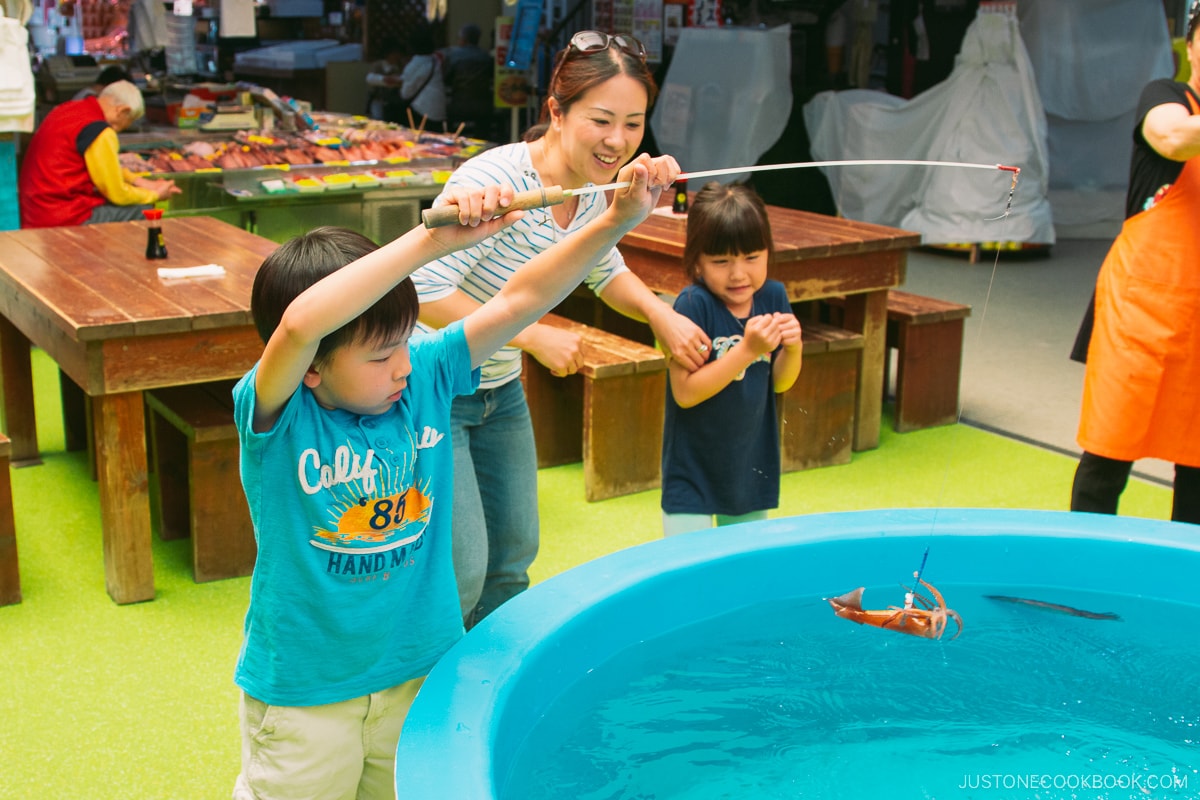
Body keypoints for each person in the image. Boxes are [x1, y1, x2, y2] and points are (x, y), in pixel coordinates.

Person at [229, 160, 672, 799]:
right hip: (307, 694)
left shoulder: (429, 376)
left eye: (406, 342)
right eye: (381, 356)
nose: (404, 365)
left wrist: (619, 218)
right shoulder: (278, 414)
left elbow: (523, 298)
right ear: (312, 370)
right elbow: (300, 325)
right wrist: (430, 243)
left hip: (418, 673)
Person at [410, 30, 707, 628]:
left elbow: (605, 268)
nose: (618, 140)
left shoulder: (599, 192)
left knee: (514, 558)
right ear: (555, 111)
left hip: (500, 391)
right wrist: (533, 334)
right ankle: (432, 696)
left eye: (633, 123)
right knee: (462, 570)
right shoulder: (492, 182)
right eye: (601, 120)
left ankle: (490, 689)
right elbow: (424, 294)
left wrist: (661, 313)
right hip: (436, 393)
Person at [1068, 0, 1200, 525]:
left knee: (1197, 464)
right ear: (1189, 46)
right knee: (1107, 456)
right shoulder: (1165, 98)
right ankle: (1080, 570)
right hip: (1140, 311)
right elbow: (1173, 137)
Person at [660, 182, 803, 536]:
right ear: (696, 261)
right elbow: (685, 393)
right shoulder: (693, 305)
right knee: (688, 571)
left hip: (750, 466)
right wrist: (747, 351)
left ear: (768, 252)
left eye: (752, 258)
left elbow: (780, 383)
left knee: (742, 576)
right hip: (691, 471)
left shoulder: (773, 295)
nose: (739, 274)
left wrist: (795, 347)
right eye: (722, 261)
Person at [18, 80, 179, 228]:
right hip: (60, 215)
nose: (123, 127)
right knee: (144, 210)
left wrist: (139, 181)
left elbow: (105, 167)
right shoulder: (99, 131)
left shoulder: (69, 109)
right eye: (129, 120)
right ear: (122, 111)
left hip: (35, 209)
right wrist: (154, 194)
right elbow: (117, 194)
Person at [440, 22, 494, 138]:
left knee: (446, 118)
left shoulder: (454, 55)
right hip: (483, 104)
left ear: (463, 39)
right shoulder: (486, 56)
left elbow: (446, 78)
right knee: (483, 131)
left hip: (459, 103)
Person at [395, 24, 445, 128]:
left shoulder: (414, 64)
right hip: (439, 110)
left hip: (421, 110)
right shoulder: (435, 60)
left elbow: (405, 94)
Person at [365, 37, 407, 121]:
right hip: (379, 100)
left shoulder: (400, 67)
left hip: (394, 103)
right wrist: (385, 79)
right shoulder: (379, 65)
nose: (397, 56)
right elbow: (370, 78)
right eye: (394, 53)